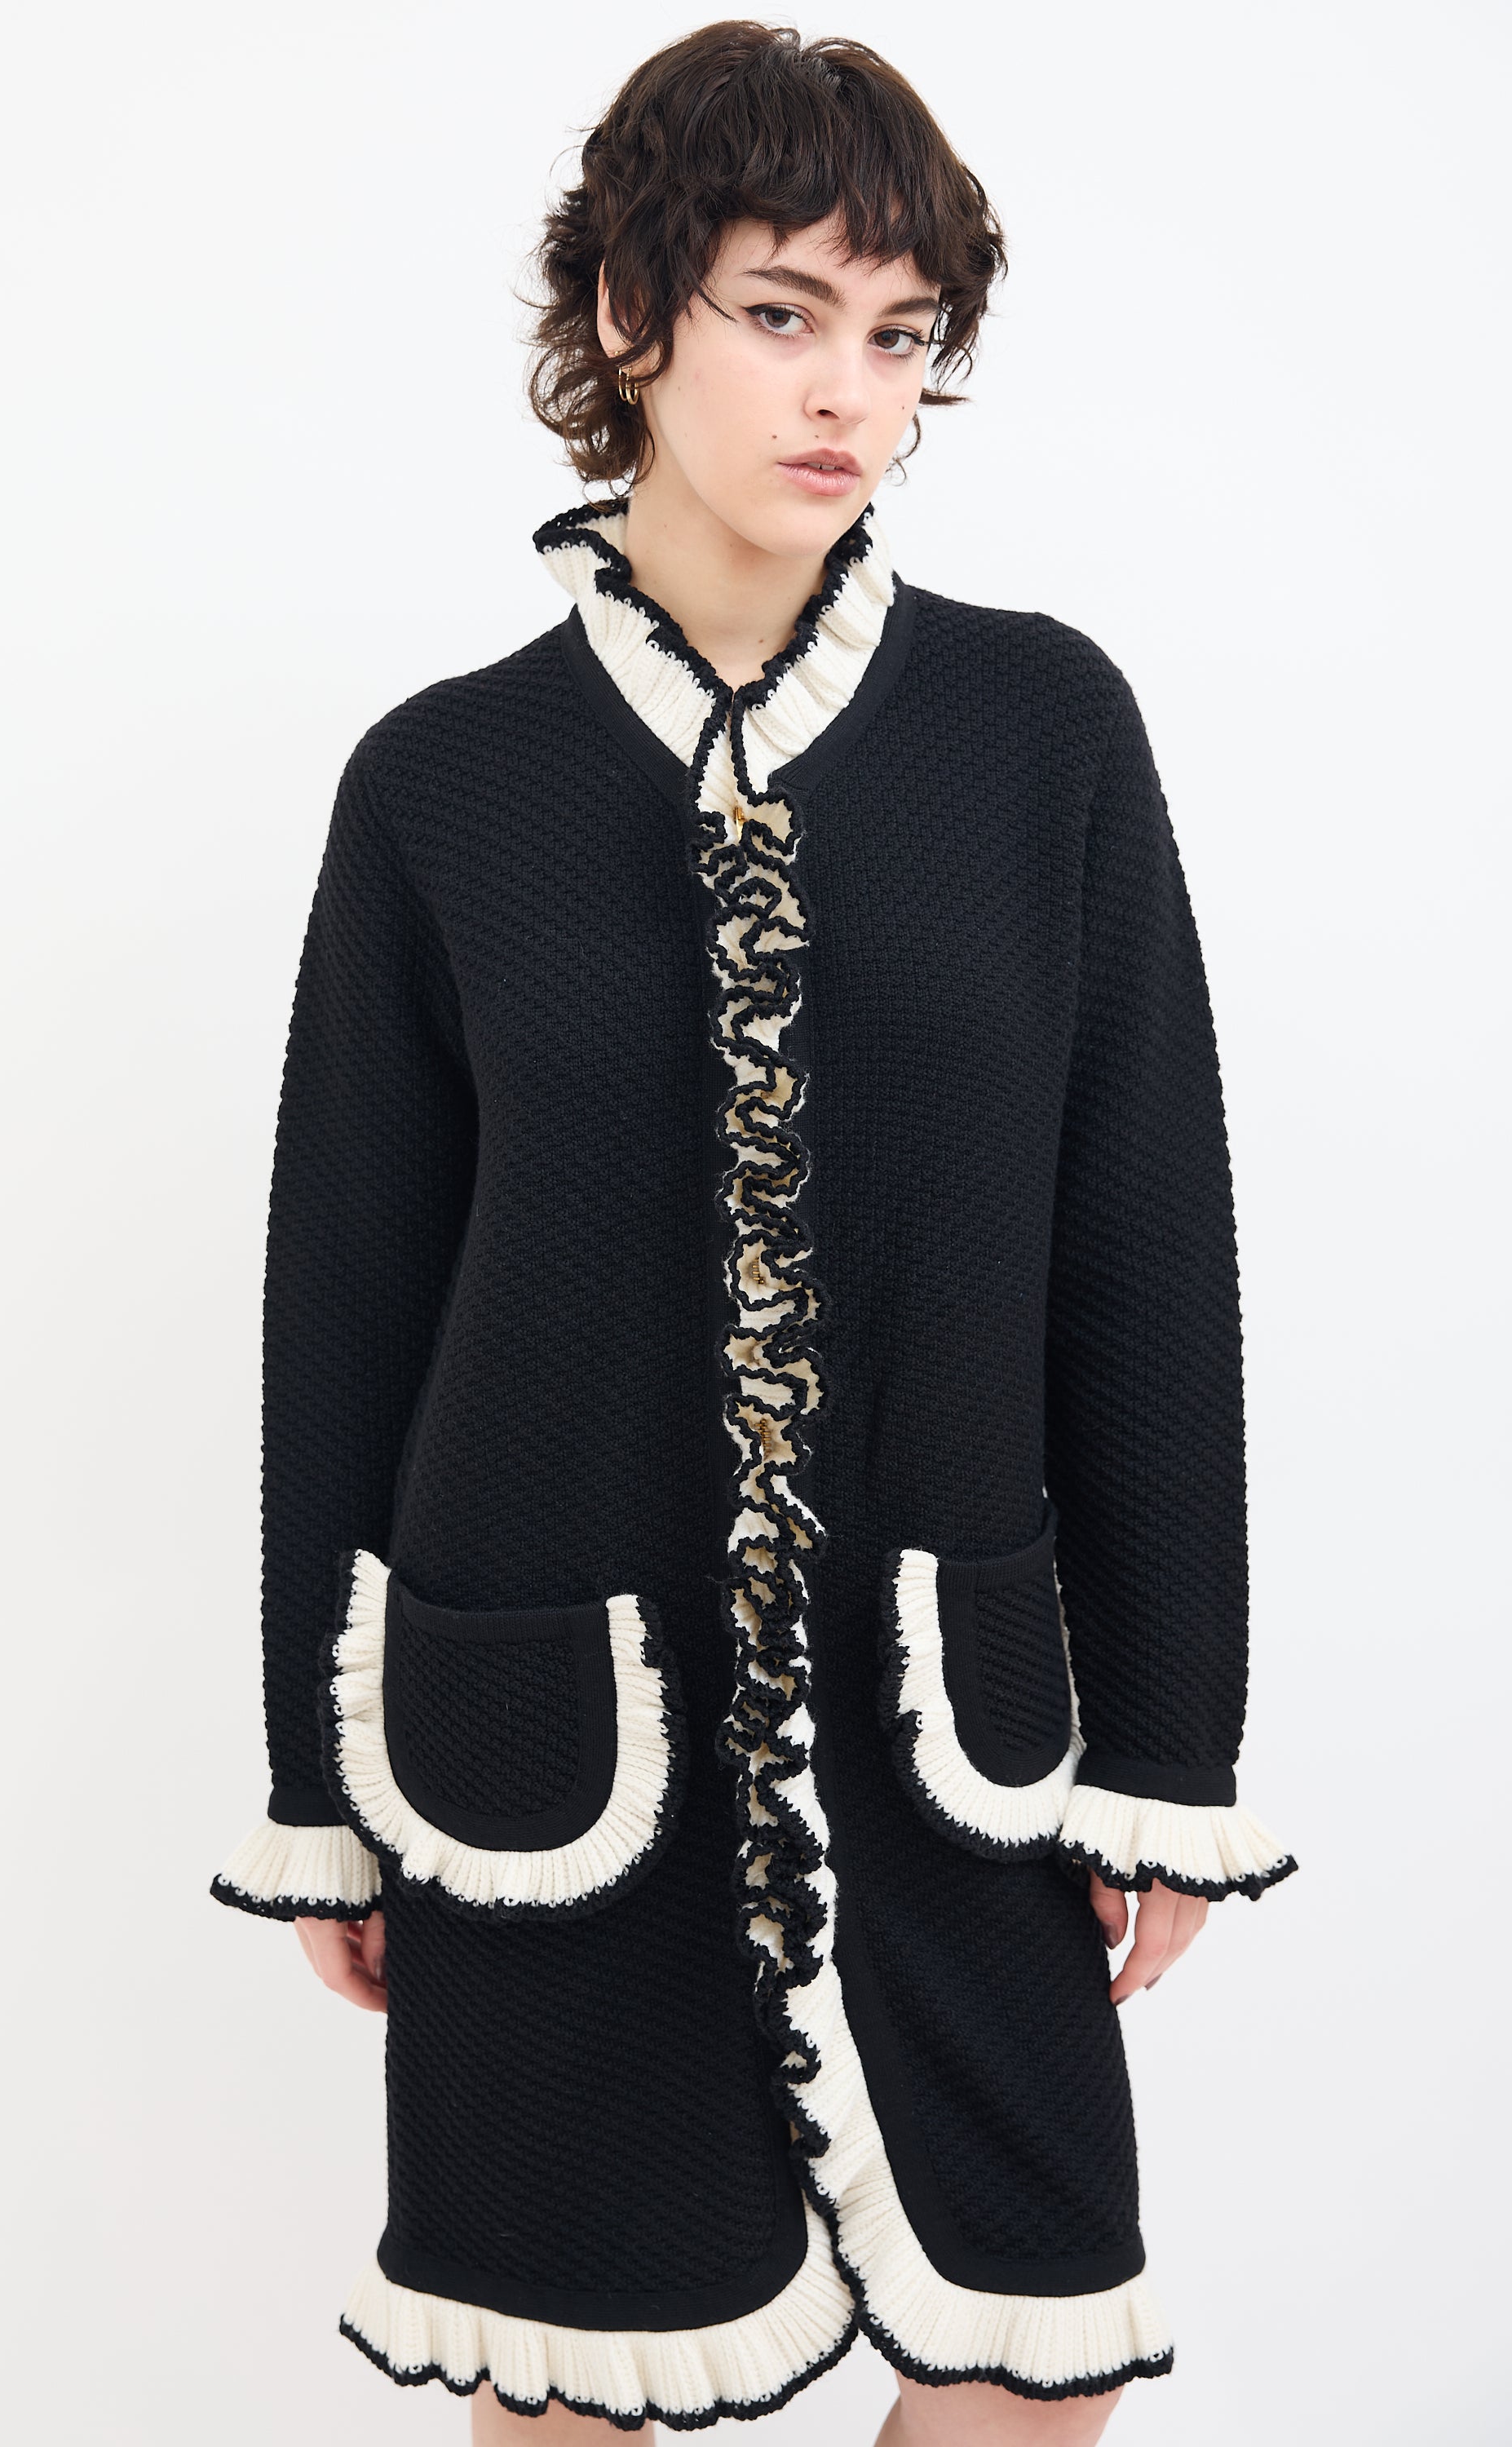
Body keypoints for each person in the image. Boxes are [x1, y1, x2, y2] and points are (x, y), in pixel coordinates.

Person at [210, 23, 1296, 2445]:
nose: (849, 395)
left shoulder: (1043, 734)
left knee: (1034, 2357)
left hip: (946, 1730)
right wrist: (322, 1789)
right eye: (783, 313)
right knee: (571, 2392)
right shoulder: (442, 784)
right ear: (630, 313)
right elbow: (344, 1308)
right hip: (547, 1736)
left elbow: (1146, 1254)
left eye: (901, 338)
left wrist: (1167, 1747)